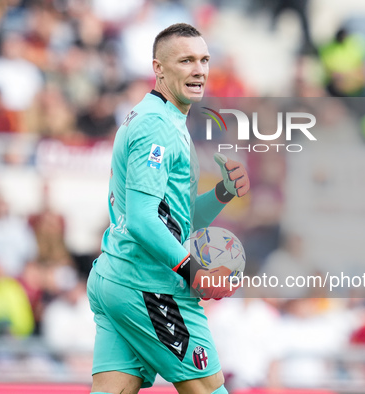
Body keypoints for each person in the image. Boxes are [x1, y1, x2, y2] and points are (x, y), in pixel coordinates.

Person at [87, 23, 250, 394]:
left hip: (118, 277)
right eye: (187, 60)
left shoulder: (163, 118)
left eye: (204, 60)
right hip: (149, 285)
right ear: (158, 68)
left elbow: (174, 218)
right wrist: (193, 270)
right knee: (210, 390)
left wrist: (223, 192)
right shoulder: (157, 127)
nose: (199, 70)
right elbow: (144, 221)